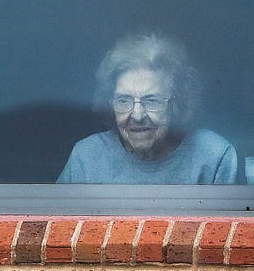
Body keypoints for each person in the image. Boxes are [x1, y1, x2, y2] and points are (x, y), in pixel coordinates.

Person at [58, 34, 238, 184]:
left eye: (152, 100)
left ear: (178, 102)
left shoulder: (214, 156)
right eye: (123, 100)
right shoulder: (87, 156)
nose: (137, 115)